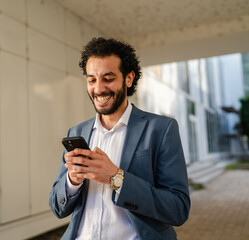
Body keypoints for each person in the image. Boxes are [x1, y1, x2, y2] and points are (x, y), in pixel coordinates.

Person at [49, 37, 190, 240]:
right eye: (92, 80)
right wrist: (72, 180)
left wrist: (116, 178)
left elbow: (178, 208)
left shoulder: (161, 129)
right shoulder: (76, 132)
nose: (98, 89)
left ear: (129, 79)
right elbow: (57, 207)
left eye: (108, 79)